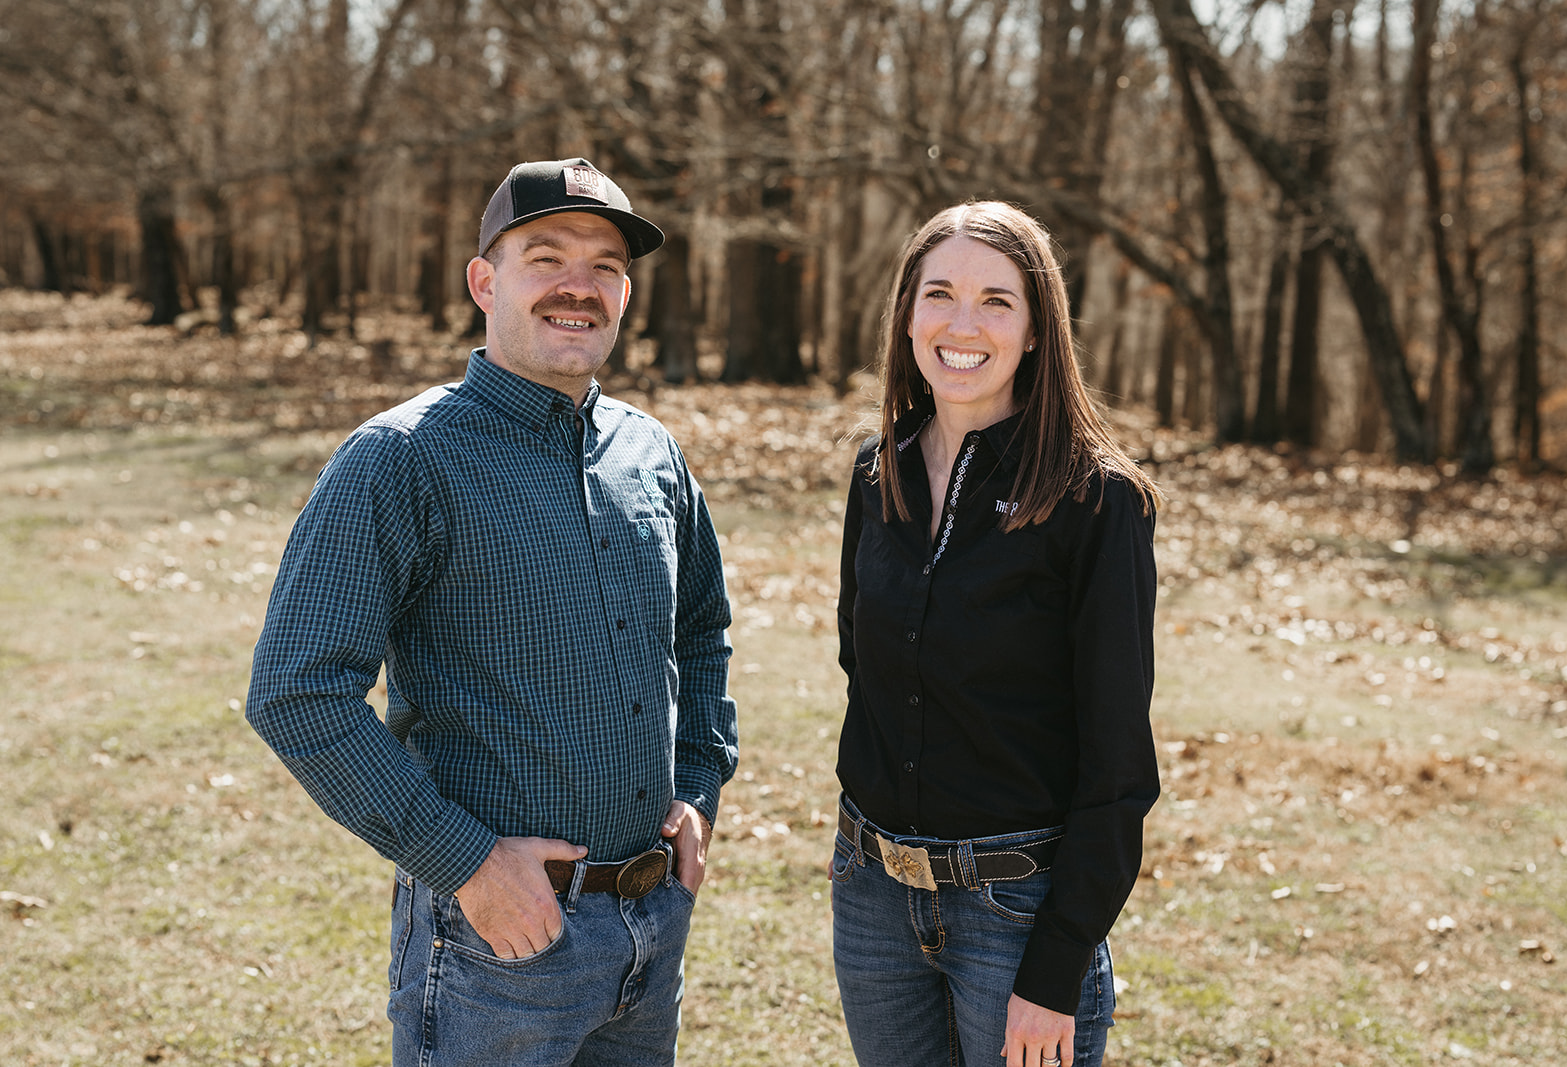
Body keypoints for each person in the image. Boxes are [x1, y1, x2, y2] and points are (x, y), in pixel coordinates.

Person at [245, 158, 737, 1067]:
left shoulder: (652, 453)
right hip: (496, 949)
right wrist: (466, 861)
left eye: (605, 266)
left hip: (651, 933)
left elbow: (701, 628)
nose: (577, 286)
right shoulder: (401, 460)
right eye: (544, 255)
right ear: (484, 281)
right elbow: (296, 691)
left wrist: (699, 780)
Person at [832, 201, 1161, 1067]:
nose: (962, 324)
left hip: (1016, 914)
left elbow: (1120, 766)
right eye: (938, 293)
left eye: (997, 301)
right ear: (907, 316)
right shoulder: (878, 473)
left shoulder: (1095, 500)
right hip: (872, 897)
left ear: (1037, 330)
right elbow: (861, 664)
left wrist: (1056, 968)